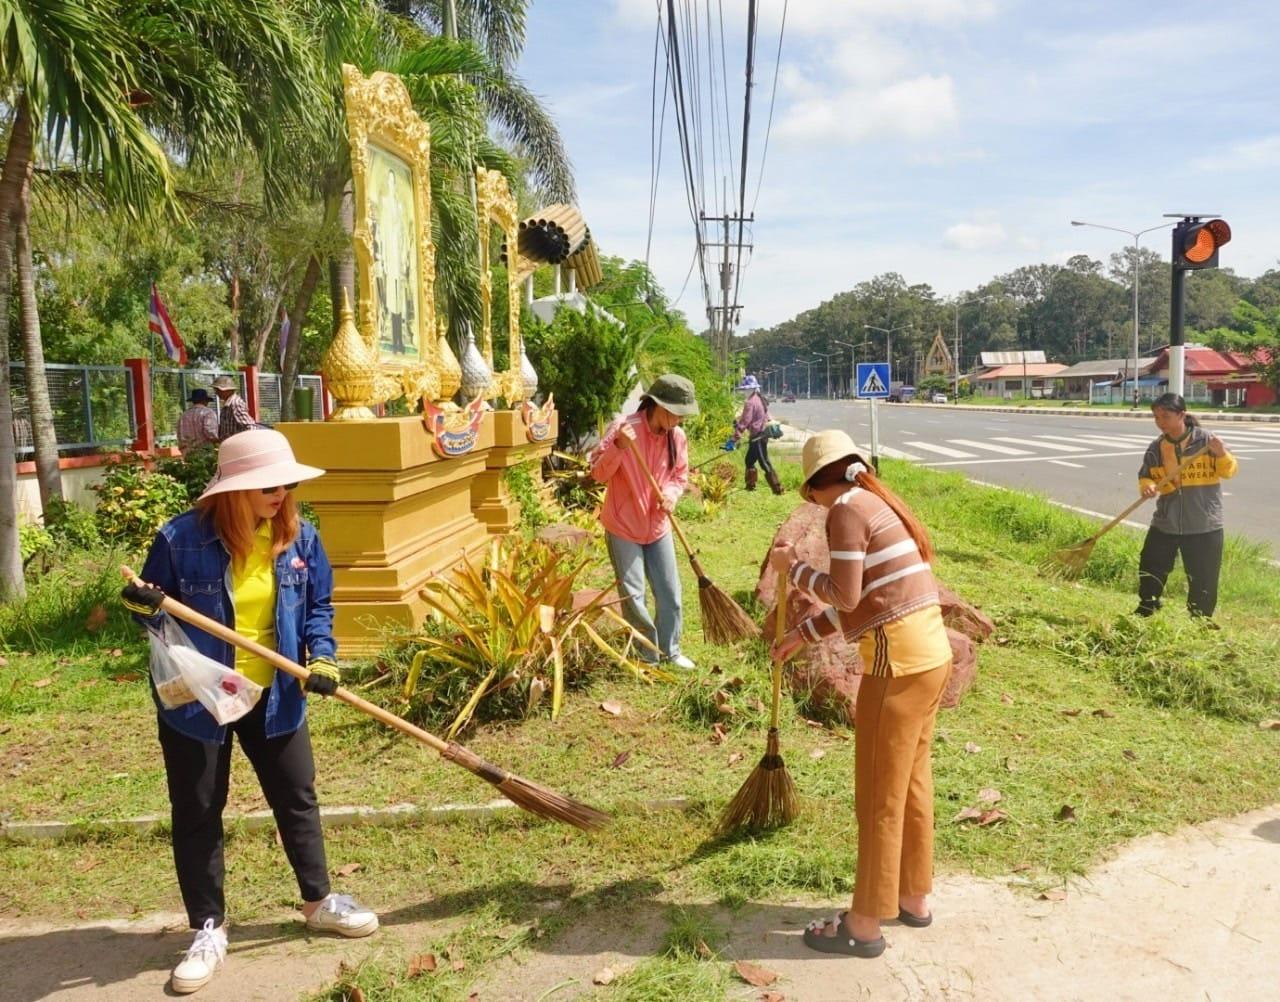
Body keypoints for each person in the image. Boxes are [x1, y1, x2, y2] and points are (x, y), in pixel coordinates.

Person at [122, 429, 377, 995]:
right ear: (234, 490)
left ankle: (318, 902)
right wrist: (141, 607)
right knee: (197, 807)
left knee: (296, 796)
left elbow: (319, 608)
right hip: (201, 698)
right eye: (268, 484)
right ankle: (208, 928)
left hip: (275, 693)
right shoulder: (180, 539)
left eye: (287, 483)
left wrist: (325, 657)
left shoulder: (301, 539)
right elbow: (154, 612)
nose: (281, 492)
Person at [768, 429, 952, 959]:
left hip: (895, 671)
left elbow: (845, 594)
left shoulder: (845, 511)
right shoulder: (874, 501)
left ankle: (864, 924)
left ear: (814, 488)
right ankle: (913, 897)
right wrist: (798, 638)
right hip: (929, 659)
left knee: (878, 798)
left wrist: (793, 569)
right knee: (913, 786)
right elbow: (869, 599)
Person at [590, 374, 697, 670]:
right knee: (634, 595)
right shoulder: (624, 429)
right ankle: (647, 653)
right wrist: (619, 447)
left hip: (658, 526)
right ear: (658, 405)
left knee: (670, 593)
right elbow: (598, 473)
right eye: (675, 413)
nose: (678, 420)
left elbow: (679, 476)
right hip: (624, 527)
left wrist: (672, 494)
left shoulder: (677, 437)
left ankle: (671, 650)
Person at [1135, 392, 1237, 621]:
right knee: (1151, 565)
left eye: (1166, 416)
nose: (1160, 422)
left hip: (1204, 523)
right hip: (1166, 521)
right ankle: (1148, 605)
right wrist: (1147, 487)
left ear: (1182, 414)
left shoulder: (1206, 441)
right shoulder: (1156, 448)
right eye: (1156, 417)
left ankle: (1201, 618)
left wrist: (1221, 453)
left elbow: (1228, 471)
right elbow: (1145, 475)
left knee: (1203, 575)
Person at [730, 375, 783, 495]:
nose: (744, 392)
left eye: (745, 389)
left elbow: (745, 421)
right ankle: (750, 485)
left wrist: (734, 438)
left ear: (752, 389)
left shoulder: (750, 402)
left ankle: (778, 489)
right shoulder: (759, 399)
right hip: (760, 435)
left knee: (764, 463)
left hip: (758, 436)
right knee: (749, 460)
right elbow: (767, 416)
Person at [177, 388, 219, 455]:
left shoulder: (183, 416)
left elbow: (180, 435)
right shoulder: (208, 413)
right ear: (205, 401)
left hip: (188, 453)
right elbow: (210, 432)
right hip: (205, 452)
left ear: (193, 401)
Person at [212, 374, 254, 441]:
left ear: (228, 390)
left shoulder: (235, 404)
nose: (217, 393)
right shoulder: (228, 404)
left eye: (218, 390)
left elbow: (249, 426)